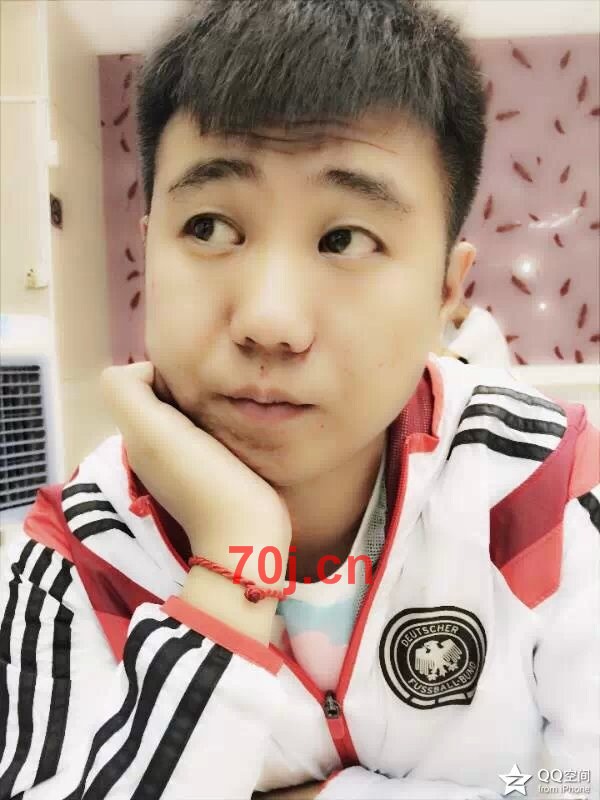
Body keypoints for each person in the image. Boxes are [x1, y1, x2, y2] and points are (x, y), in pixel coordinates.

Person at [1, 1, 598, 798]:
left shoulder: (546, 487)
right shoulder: (77, 553)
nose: (270, 321)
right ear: (148, 249)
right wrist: (233, 560)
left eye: (344, 239)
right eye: (210, 227)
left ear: (446, 293)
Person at [440, 301, 513, 369]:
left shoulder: (481, 321)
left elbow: (446, 358)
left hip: (493, 377)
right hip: (475, 376)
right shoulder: (450, 324)